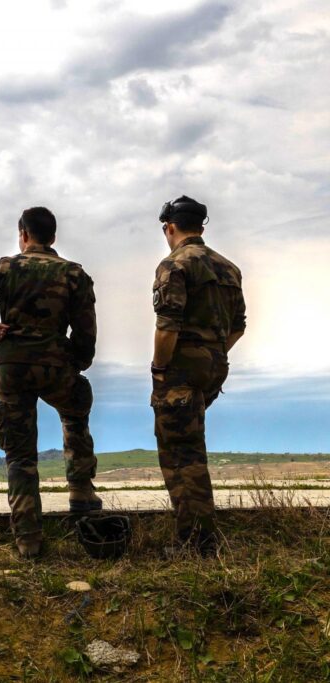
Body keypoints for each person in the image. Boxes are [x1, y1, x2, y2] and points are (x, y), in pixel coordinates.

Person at [0, 207, 98, 559]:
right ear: (53, 236)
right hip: (55, 365)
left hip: (11, 367)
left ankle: (29, 539)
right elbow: (85, 330)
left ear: (23, 234)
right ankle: (80, 491)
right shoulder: (73, 274)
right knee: (76, 405)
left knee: (19, 454)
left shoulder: (1, 268)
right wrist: (75, 363)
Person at [151, 195, 245, 556]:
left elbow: (167, 326)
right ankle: (199, 538)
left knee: (181, 456)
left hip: (181, 370)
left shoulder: (174, 265)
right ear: (201, 227)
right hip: (214, 366)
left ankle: (197, 543)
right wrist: (213, 352)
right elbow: (238, 327)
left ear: (170, 228)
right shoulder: (229, 268)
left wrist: (160, 369)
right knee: (193, 448)